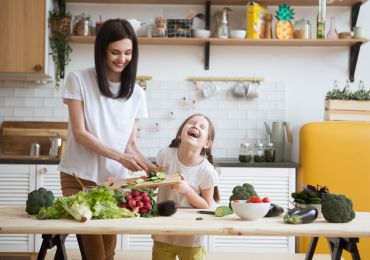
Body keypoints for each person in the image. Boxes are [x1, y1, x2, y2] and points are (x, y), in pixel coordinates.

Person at [58, 19, 153, 260]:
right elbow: (80, 133)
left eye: (128, 52)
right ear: (101, 50)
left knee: (109, 253)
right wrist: (121, 157)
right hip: (79, 177)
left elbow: (130, 143)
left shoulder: (137, 93)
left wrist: (152, 168)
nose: (122, 59)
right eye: (115, 52)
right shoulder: (78, 80)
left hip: (113, 182)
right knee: (96, 255)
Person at [152, 113, 220, 260]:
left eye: (202, 126)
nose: (195, 126)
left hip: (191, 236)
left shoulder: (207, 171)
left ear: (207, 143)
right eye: (192, 123)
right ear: (179, 134)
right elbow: (154, 182)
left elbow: (206, 205)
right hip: (163, 231)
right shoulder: (165, 154)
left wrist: (187, 191)